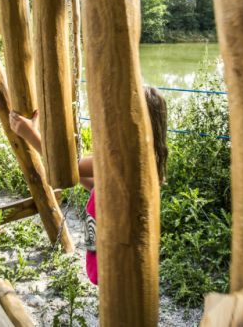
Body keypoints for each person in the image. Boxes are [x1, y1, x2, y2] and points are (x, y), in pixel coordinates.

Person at [9, 86, 169, 285]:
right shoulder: (140, 158)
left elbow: (65, 169)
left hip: (111, 254)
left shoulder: (116, 159)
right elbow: (97, 188)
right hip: (120, 252)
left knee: (115, 300)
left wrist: (30, 134)